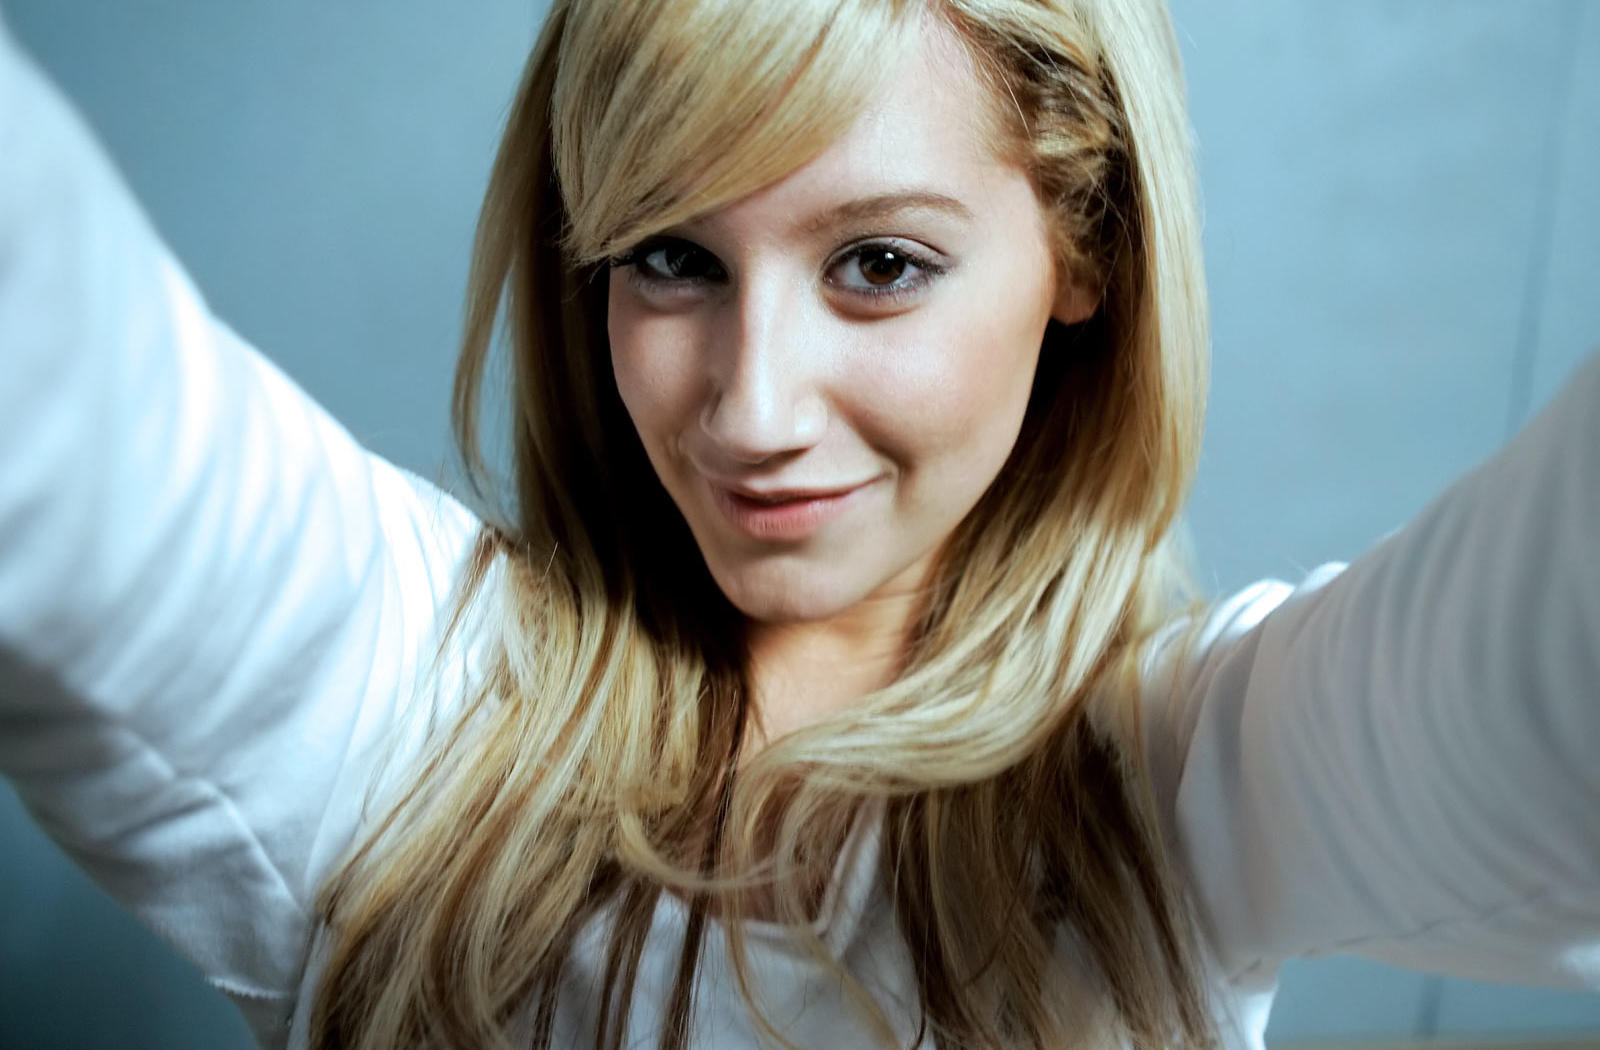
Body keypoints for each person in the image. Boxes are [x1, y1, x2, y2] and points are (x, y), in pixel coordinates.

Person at [1, 0, 1595, 1048]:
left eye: (879, 264)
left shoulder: (1184, 782)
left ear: (1083, 252)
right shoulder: (416, 696)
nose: (752, 407)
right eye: (672, 259)